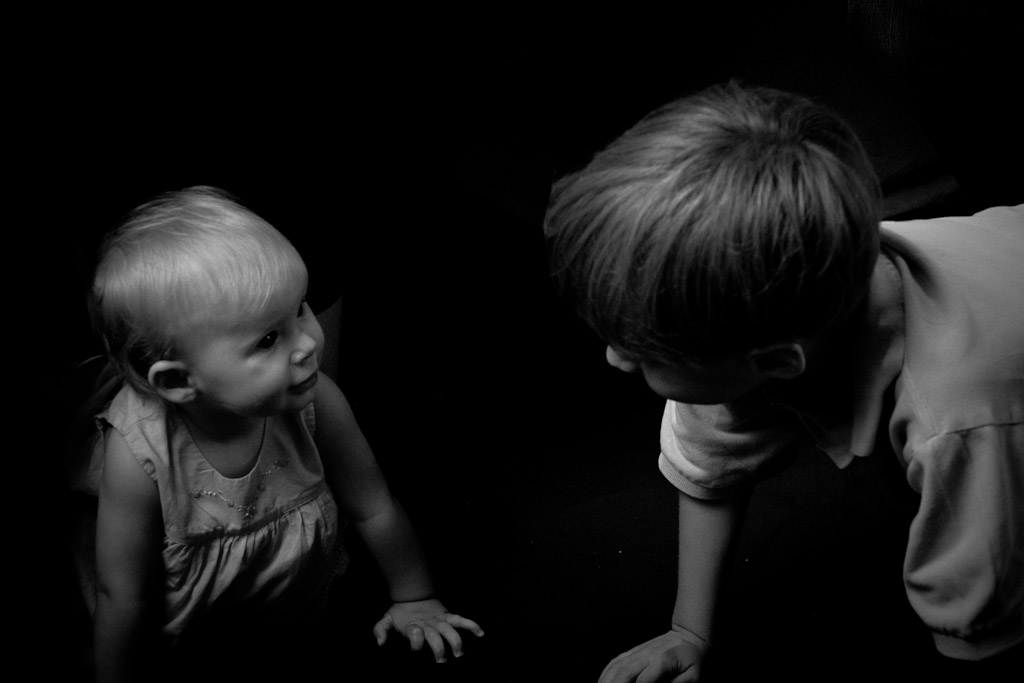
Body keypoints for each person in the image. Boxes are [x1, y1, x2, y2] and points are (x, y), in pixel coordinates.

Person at [543, 81, 1023, 682]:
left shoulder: (957, 429)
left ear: (774, 361)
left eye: (643, 354)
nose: (614, 359)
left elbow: (986, 631)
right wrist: (689, 631)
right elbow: (713, 459)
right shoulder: (775, 303)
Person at [81, 186, 484, 682]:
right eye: (269, 338)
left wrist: (414, 595)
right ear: (179, 382)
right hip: (186, 635)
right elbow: (123, 594)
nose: (308, 344)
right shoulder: (139, 455)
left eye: (300, 310)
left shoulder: (317, 401)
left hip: (294, 610)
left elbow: (374, 505)